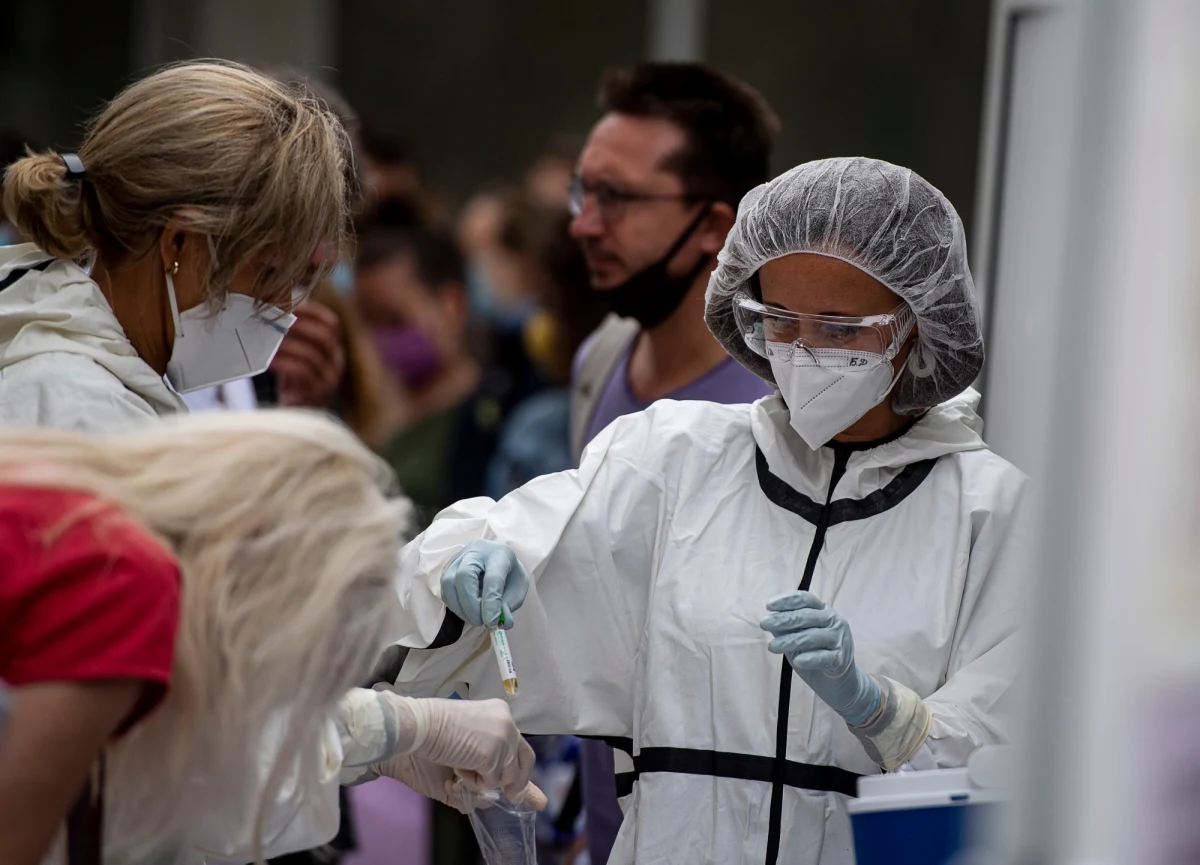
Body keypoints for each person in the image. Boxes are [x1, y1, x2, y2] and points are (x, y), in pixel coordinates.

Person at [388, 157, 1029, 865]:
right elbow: (488, 578)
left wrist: (884, 709)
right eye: (780, 320)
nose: (805, 351)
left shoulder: (990, 514)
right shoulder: (672, 459)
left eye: (842, 330)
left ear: (919, 324)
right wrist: (463, 570)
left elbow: (1019, 743)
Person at [0, 410, 539, 865]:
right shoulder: (126, 586)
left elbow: (191, 757)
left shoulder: (76, 523)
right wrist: (407, 726)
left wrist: (378, 748)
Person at [565, 61, 782, 862]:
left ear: (712, 227)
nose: (584, 224)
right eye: (581, 193)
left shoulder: (781, 407)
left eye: (615, 198)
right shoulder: (601, 360)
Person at [0, 60, 349, 432]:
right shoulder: (82, 414)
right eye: (269, 273)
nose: (282, 306)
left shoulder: (91, 377)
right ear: (180, 243)